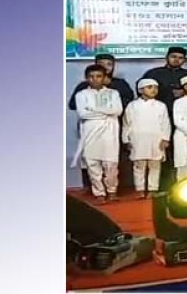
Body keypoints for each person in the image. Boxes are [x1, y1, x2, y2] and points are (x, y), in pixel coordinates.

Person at [67, 53, 135, 191]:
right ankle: (94, 189)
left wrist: (94, 109)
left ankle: (115, 189)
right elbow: (76, 107)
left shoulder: (118, 86)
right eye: (102, 64)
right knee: (91, 160)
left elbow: (121, 107)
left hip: (113, 128)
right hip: (90, 128)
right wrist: (105, 111)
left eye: (109, 64)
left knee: (112, 160)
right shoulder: (83, 87)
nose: (106, 67)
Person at [141, 47, 187, 183]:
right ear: (167, 57)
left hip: (183, 120)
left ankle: (183, 182)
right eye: (173, 56)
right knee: (160, 150)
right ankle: (162, 184)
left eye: (180, 57)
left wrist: (184, 92)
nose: (176, 60)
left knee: (182, 150)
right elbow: (143, 91)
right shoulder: (154, 73)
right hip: (158, 118)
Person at [72, 65, 124, 204]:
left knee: (111, 164)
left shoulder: (113, 93)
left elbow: (118, 111)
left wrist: (93, 110)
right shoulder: (81, 95)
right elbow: (83, 114)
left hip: (109, 132)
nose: (95, 79)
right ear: (86, 78)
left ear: (104, 78)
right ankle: (99, 193)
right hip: (90, 132)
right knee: (92, 164)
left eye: (98, 76)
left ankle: (112, 191)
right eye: (91, 77)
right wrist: (106, 112)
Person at [122, 79, 171, 198]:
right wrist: (126, 139)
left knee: (155, 165)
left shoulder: (161, 106)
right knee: (139, 165)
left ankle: (152, 189)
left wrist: (165, 139)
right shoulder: (132, 105)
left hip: (156, 139)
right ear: (140, 90)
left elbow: (165, 123)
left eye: (155, 87)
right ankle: (139, 189)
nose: (153, 90)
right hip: (137, 139)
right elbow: (126, 123)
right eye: (149, 87)